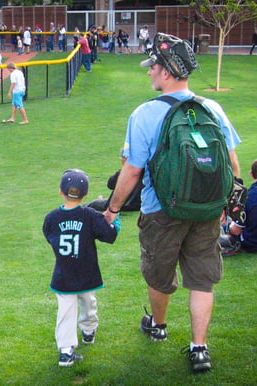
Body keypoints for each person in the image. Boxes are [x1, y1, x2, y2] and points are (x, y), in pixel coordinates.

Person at [103, 33, 241, 372]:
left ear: (166, 70)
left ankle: (159, 326)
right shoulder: (212, 108)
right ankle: (199, 348)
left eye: (152, 66)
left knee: (158, 275)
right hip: (207, 210)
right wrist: (226, 202)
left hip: (160, 210)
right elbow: (232, 164)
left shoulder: (145, 114)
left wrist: (112, 209)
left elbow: (132, 171)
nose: (149, 72)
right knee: (202, 279)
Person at [43, 169, 119, 367]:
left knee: (66, 311)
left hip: (63, 274)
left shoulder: (51, 218)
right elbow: (109, 236)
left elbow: (49, 235)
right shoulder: (90, 215)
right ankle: (88, 330)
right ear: (85, 194)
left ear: (60, 191)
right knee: (88, 302)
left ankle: (66, 351)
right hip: (87, 272)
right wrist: (113, 220)